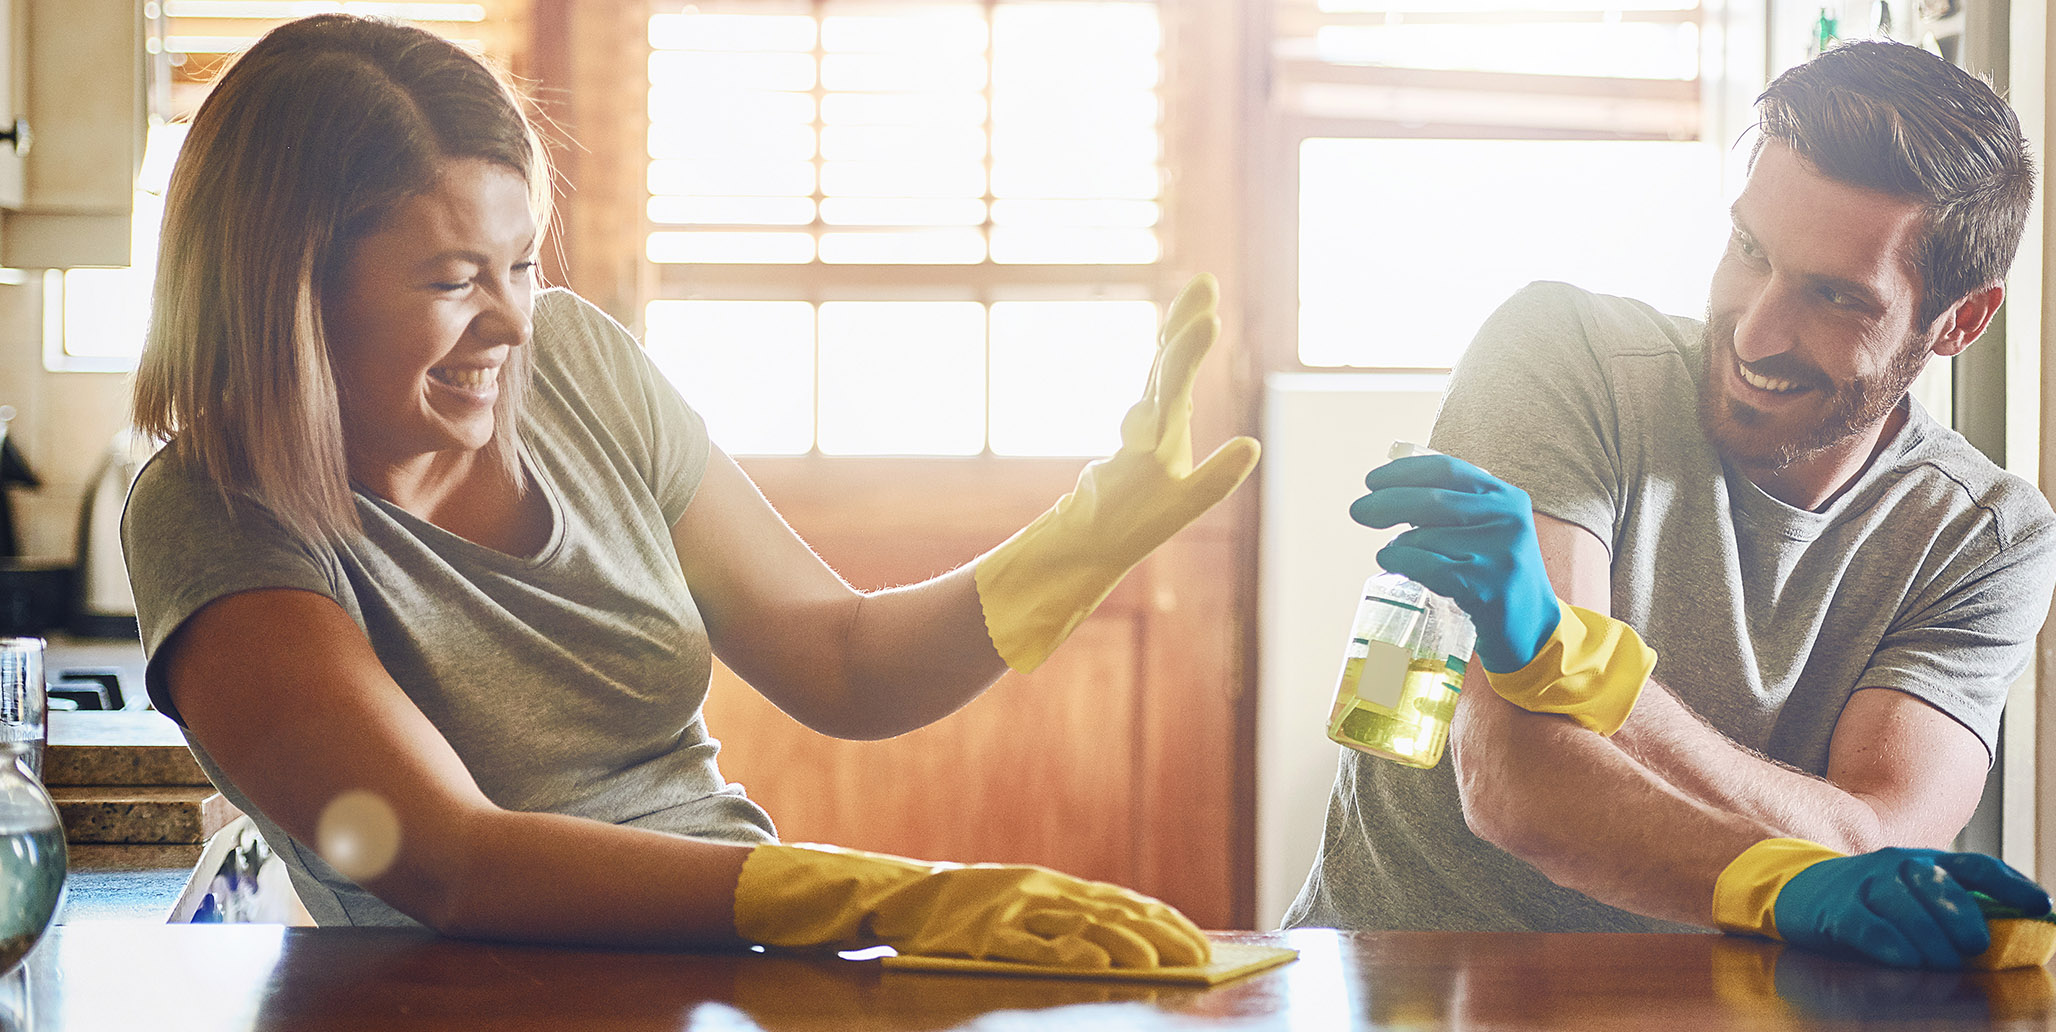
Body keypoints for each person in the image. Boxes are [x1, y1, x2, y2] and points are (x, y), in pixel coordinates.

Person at [122, 13, 1258, 967]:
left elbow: (842, 662)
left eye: (521, 264)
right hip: (475, 1006)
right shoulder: (214, 512)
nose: (513, 322)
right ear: (288, 292)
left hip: (739, 964)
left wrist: (1080, 542)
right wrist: (873, 897)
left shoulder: (574, 363)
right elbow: (450, 859)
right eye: (453, 280)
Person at [1285, 40, 2056, 969]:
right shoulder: (1565, 359)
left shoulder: (1982, 538)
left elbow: (1875, 845)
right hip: (1405, 991)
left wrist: (1577, 664)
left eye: (1833, 297)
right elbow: (1521, 784)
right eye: (1749, 250)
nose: (1758, 330)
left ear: (1961, 322)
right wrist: (1791, 880)